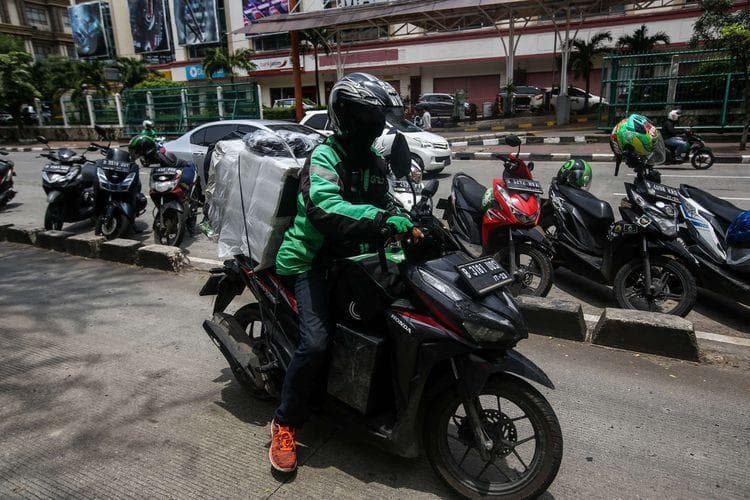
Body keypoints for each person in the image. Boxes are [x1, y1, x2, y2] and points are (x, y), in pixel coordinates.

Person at [270, 72, 420, 473]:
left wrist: (409, 218)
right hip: (310, 261)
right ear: (350, 118)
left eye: (380, 119)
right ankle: (285, 423)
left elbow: (387, 200)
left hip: (356, 262)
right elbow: (325, 209)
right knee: (316, 343)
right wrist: (381, 219)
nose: (377, 127)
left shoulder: (372, 161)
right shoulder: (324, 157)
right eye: (371, 118)